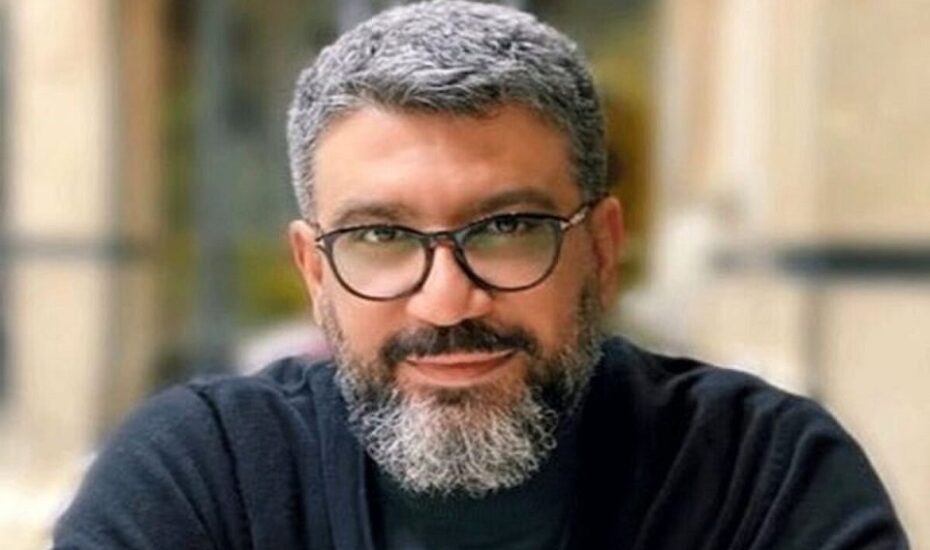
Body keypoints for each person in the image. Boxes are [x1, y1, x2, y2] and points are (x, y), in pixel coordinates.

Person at [53, 1, 908, 548]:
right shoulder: (204, 478)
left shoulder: (762, 478)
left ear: (602, 247)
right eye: (382, 235)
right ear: (314, 270)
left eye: (506, 229)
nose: (446, 300)